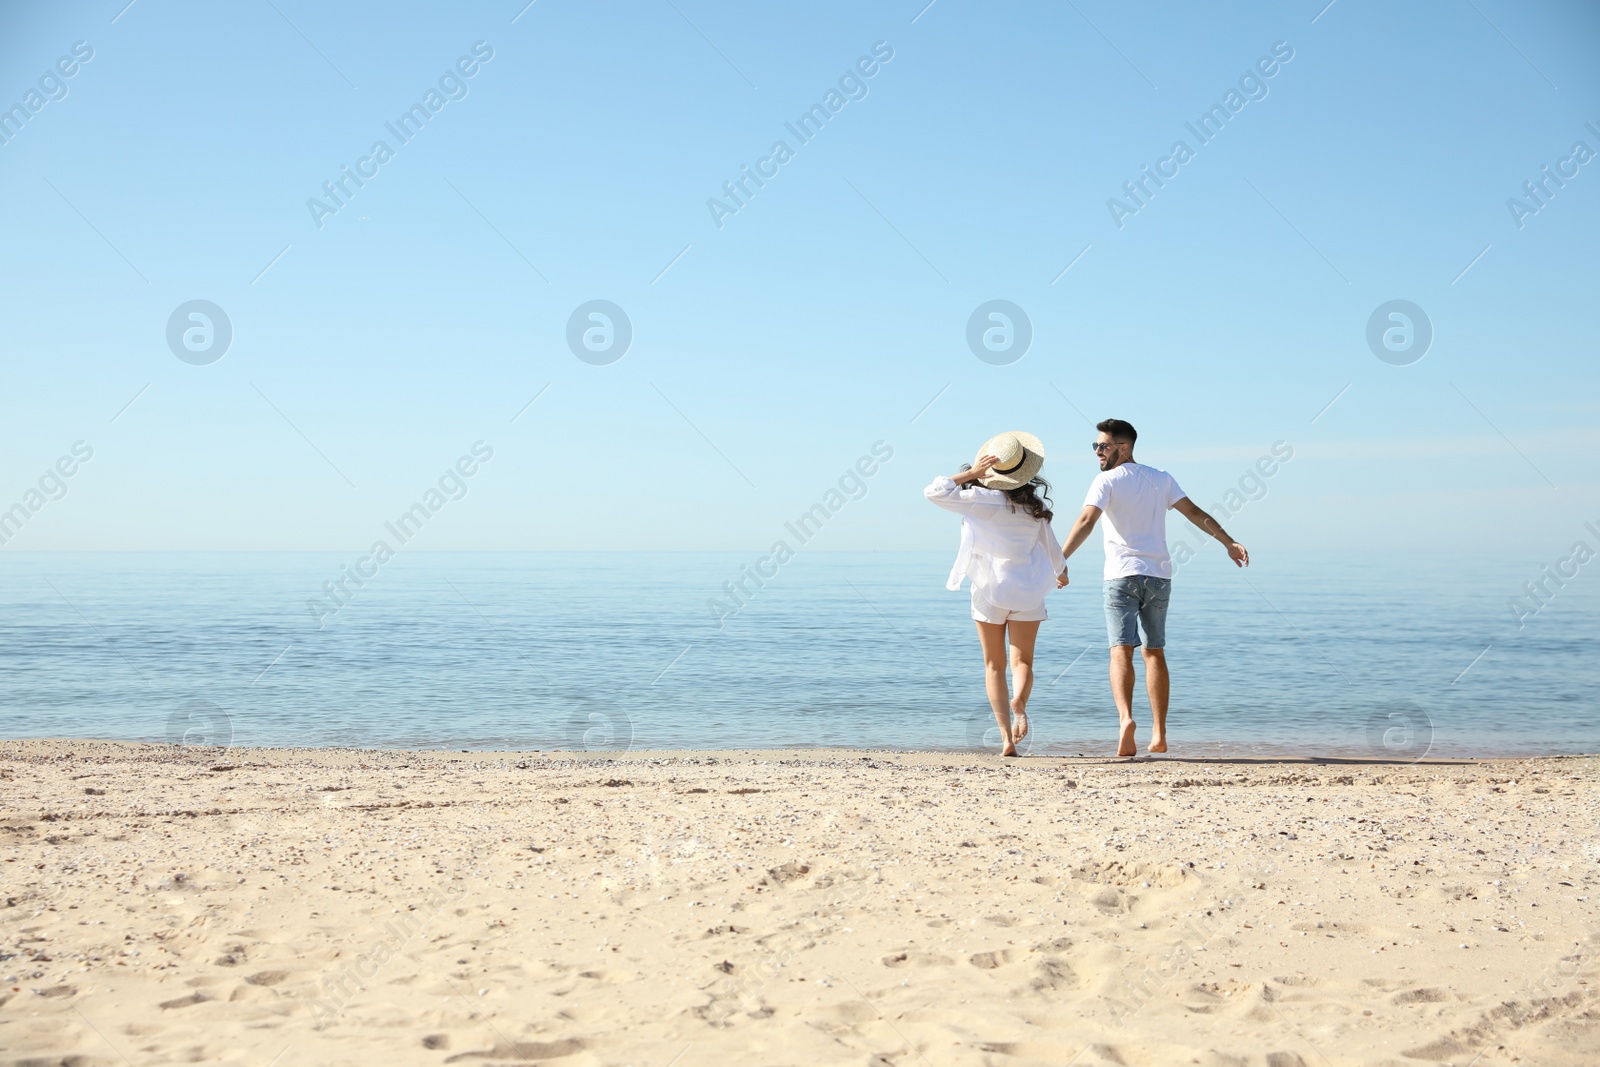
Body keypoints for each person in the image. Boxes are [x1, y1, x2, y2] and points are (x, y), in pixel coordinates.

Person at [1057, 419, 1249, 757]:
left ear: (1124, 447)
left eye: (1103, 446)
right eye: (1096, 446)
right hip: (1159, 576)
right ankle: (1159, 734)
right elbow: (1194, 513)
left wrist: (1057, 560)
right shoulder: (1161, 478)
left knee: (1120, 649)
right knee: (1154, 651)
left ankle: (1126, 720)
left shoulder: (1106, 481)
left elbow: (1086, 521)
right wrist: (1228, 542)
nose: (1098, 452)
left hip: (1120, 576)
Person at [925, 432, 1065, 757]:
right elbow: (1052, 548)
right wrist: (1061, 572)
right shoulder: (1035, 507)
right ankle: (1020, 704)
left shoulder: (978, 499)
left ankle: (1005, 738)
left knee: (993, 665)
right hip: (1028, 590)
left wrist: (973, 474)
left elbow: (934, 490)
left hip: (990, 590)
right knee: (1023, 661)